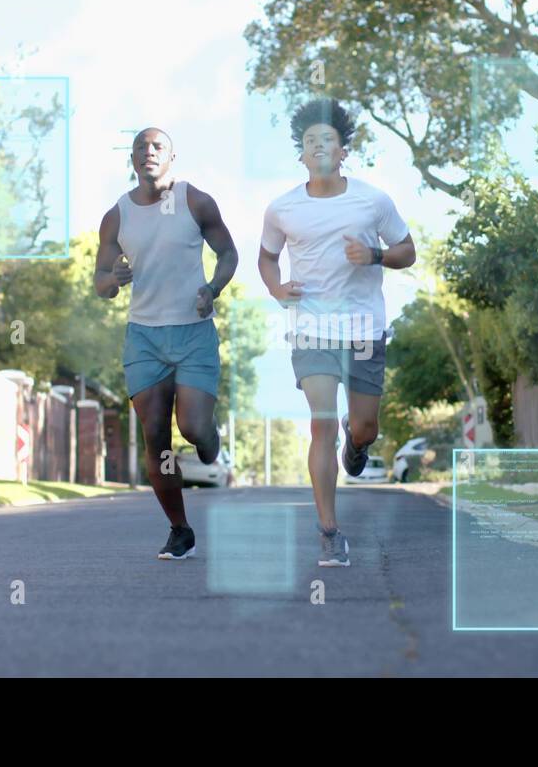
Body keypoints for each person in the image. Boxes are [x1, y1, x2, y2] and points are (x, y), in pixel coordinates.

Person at [257, 99, 415, 567]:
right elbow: (266, 257)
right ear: (301, 154)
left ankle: (358, 440)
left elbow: (407, 250)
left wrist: (375, 256)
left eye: (327, 139)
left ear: (343, 150)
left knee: (365, 425)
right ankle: (329, 531)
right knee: (319, 424)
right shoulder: (282, 207)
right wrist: (277, 288)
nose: (319, 147)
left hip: (365, 328)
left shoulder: (372, 200)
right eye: (310, 142)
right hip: (311, 329)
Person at [96, 127, 238, 560]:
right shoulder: (117, 216)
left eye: (157, 147)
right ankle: (180, 529)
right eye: (141, 147)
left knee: (193, 427)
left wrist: (212, 288)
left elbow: (228, 253)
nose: (148, 152)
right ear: (133, 159)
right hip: (144, 337)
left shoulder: (196, 201)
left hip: (193, 332)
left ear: (171, 157)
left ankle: (209, 438)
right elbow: (101, 282)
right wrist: (114, 280)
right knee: (156, 433)